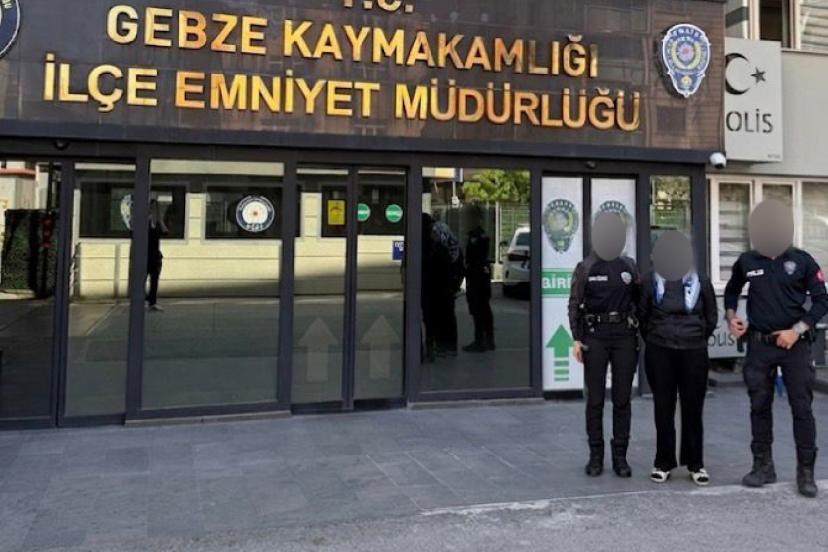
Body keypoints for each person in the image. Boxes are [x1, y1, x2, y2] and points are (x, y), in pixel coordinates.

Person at [725, 200, 828, 498]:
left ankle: (805, 473)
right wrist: (732, 318)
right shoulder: (747, 261)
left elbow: (822, 300)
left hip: (794, 345)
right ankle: (762, 467)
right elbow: (732, 290)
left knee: (802, 408)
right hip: (759, 345)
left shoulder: (802, 260)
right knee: (759, 406)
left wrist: (797, 330)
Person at [639, 232, 717, 486]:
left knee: (693, 408)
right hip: (660, 350)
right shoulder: (650, 280)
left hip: (693, 351)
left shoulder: (700, 280)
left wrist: (696, 337)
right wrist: (656, 337)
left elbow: (711, 318)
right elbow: (643, 316)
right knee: (663, 408)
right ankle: (663, 463)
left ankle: (696, 463)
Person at [569, 212, 640, 478]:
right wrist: (577, 338)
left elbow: (640, 300)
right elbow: (574, 303)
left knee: (622, 400)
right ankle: (596, 456)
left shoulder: (629, 266)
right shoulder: (586, 267)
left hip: (624, 336)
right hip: (595, 336)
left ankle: (620, 457)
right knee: (595, 400)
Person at [462, 204, 495, 353]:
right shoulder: (477, 235)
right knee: (483, 309)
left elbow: (477, 259)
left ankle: (481, 341)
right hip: (479, 276)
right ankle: (487, 340)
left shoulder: (478, 236)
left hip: (477, 278)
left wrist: (469, 272)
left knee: (479, 310)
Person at [147, 199, 168, 312]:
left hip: (155, 255)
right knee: (142, 279)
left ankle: (152, 302)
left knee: (154, 280)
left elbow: (166, 232)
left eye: (155, 208)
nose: (153, 210)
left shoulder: (158, 222)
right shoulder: (144, 221)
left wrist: (160, 220)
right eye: (152, 207)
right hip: (145, 255)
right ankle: (141, 300)